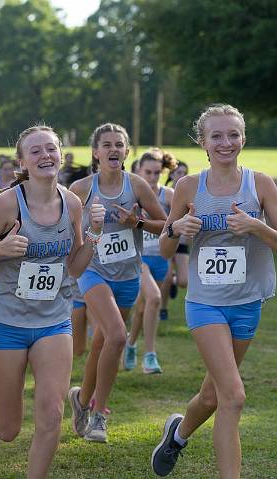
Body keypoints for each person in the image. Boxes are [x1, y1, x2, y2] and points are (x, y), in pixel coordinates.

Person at [0, 124, 105, 479]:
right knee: (8, 430)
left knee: (52, 414)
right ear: (22, 161)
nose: (45, 156)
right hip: (4, 322)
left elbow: (72, 268)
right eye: (36, 151)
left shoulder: (71, 202)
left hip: (53, 320)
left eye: (51, 149)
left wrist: (93, 236)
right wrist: (0, 249)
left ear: (61, 154)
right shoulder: (7, 203)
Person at [152, 104, 277, 477]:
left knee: (212, 394)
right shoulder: (190, 187)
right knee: (233, 396)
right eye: (217, 136)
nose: (227, 142)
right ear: (203, 142)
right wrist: (177, 230)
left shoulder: (263, 184)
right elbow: (164, 247)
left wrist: (257, 228)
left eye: (233, 134)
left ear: (243, 138)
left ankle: (178, 434)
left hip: (247, 302)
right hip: (206, 303)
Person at [67, 123, 167, 443]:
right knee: (117, 335)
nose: (113, 150)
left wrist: (136, 221)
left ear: (127, 151)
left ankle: (81, 400)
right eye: (106, 145)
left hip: (128, 274)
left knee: (104, 342)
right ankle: (98, 414)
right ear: (95, 152)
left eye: (119, 145)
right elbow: (61, 226)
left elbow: (165, 224)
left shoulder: (136, 185)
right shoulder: (82, 189)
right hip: (93, 271)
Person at [124, 148, 176, 374]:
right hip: (138, 257)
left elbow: (176, 226)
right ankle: (150, 356)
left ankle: (130, 344)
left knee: (144, 307)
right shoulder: (131, 195)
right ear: (137, 170)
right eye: (148, 172)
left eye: (157, 172)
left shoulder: (169, 195)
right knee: (154, 298)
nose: (153, 177)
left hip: (161, 258)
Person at [162, 160, 190, 314]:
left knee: (183, 282)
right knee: (165, 278)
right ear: (171, 174)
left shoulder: (189, 193)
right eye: (179, 172)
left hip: (183, 242)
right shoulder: (165, 194)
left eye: (184, 173)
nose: (182, 176)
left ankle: (174, 279)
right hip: (167, 240)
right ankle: (163, 308)